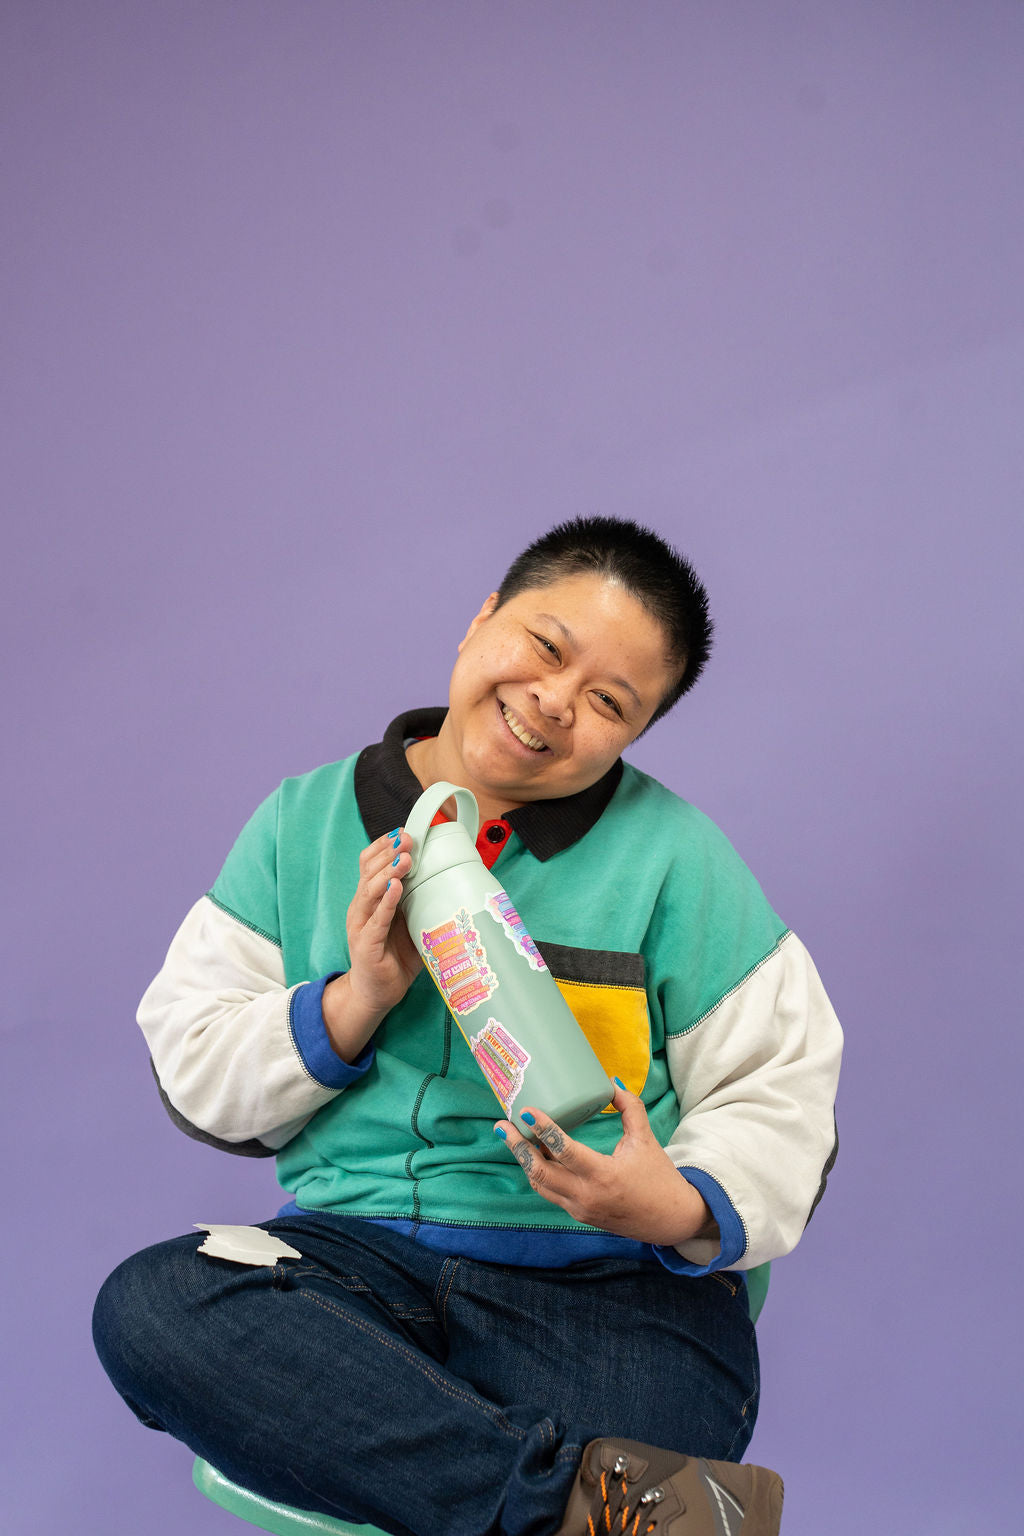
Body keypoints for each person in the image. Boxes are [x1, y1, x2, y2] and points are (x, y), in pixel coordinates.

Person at [93, 517, 842, 1536]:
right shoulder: (303, 822)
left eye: (609, 702)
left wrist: (668, 1202)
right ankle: (581, 1513)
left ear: (636, 734)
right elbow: (195, 1065)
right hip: (352, 1279)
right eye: (545, 646)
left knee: (643, 1421)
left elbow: (783, 1087)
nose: (553, 701)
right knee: (156, 1307)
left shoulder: (676, 859)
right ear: (482, 617)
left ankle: (527, 1494)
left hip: (609, 1293)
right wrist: (355, 998)